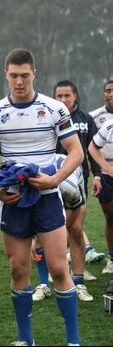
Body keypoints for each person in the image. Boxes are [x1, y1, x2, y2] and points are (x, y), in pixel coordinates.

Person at [0, 48, 83, 346]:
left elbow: (75, 151)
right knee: (17, 268)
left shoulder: (54, 108)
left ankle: (73, 341)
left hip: (48, 198)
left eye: (25, 75)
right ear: (6, 75)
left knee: (58, 268)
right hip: (12, 202)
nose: (19, 81)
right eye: (14, 76)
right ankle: (26, 340)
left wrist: (54, 179)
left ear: (34, 74)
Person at [54, 80, 104, 266]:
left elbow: (93, 149)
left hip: (79, 180)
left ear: (75, 96)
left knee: (75, 226)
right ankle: (58, 265)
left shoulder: (86, 119)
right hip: (53, 180)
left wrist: (97, 175)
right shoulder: (49, 118)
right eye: (59, 96)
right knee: (57, 224)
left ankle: (77, 268)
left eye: (67, 95)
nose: (63, 99)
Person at [33, 154, 94, 302]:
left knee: (75, 230)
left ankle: (79, 284)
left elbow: (73, 210)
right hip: (45, 188)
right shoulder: (32, 184)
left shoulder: (69, 189)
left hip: (73, 188)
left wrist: (55, 235)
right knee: (42, 232)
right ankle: (43, 284)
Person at [89, 81, 113, 275]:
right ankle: (112, 258)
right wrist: (103, 168)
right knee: (110, 217)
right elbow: (90, 145)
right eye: (108, 90)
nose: (111, 94)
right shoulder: (96, 118)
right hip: (106, 175)